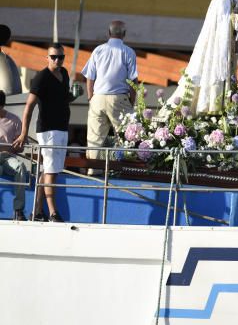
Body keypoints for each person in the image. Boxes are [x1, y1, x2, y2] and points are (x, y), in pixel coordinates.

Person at [13, 43, 73, 222]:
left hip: (62, 127)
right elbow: (29, 107)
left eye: (61, 57)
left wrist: (73, 96)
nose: (57, 60)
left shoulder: (64, 74)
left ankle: (37, 211)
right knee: (52, 171)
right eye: (54, 57)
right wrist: (24, 133)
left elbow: (62, 99)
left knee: (48, 169)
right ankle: (53, 212)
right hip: (48, 129)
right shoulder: (41, 77)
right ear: (46, 58)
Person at [81, 20, 138, 174]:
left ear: (108, 33)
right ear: (124, 34)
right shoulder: (128, 52)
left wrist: (90, 97)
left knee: (95, 139)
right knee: (127, 136)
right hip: (119, 98)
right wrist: (132, 101)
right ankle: (126, 171)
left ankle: (94, 172)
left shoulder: (98, 50)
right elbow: (133, 81)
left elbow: (89, 77)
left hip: (98, 97)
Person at [0, 89, 28, 220]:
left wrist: (18, 145)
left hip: (7, 157)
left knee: (21, 167)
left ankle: (18, 210)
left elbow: (20, 148)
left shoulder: (14, 120)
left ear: (2, 105)